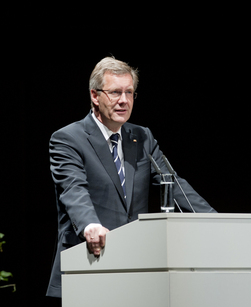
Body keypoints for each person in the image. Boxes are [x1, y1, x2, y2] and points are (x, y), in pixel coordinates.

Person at [46, 57, 216, 298]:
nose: (124, 101)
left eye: (129, 92)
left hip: (137, 267)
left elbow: (174, 184)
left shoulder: (142, 136)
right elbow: (74, 189)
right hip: (89, 262)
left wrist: (214, 220)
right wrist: (90, 225)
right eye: (115, 92)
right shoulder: (68, 138)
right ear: (95, 95)